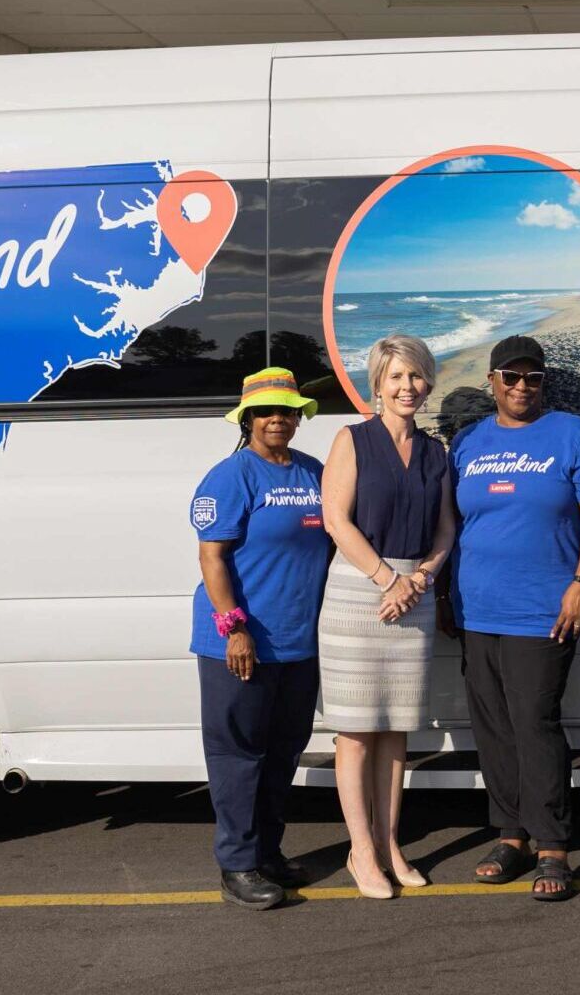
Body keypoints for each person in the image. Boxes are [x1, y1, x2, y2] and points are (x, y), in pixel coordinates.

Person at [451, 335, 580, 902]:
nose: (522, 387)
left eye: (533, 378)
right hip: (477, 607)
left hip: (543, 608)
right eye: (511, 377)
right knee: (493, 728)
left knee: (534, 722)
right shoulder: (467, 440)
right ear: (492, 381)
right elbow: (455, 524)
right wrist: (449, 597)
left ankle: (553, 844)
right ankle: (511, 834)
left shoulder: (571, 434)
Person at [318, 335, 456, 899]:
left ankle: (390, 843)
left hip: (413, 596)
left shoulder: (436, 452)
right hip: (357, 592)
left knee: (396, 733)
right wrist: (387, 579)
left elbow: (446, 529)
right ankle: (362, 853)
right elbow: (335, 520)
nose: (408, 387)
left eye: (417, 377)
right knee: (355, 735)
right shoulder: (351, 440)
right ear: (377, 384)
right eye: (397, 377)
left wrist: (420, 578)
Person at [188, 367, 329, 911]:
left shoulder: (313, 473)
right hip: (239, 642)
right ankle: (237, 864)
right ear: (247, 420)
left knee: (282, 753)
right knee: (237, 755)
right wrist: (235, 627)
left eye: (287, 410)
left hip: (297, 642)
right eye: (267, 411)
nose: (278, 419)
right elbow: (212, 557)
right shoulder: (231, 477)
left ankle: (267, 851)